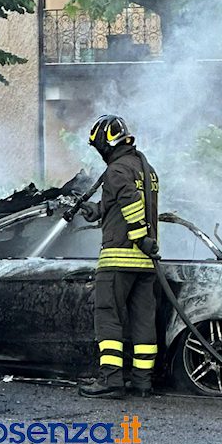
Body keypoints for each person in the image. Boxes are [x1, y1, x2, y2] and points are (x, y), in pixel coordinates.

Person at [76, 115, 160, 399]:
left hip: (118, 258)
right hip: (145, 265)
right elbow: (125, 201)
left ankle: (111, 379)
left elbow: (131, 203)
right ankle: (142, 382)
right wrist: (97, 210)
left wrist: (138, 237)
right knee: (143, 322)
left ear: (106, 144)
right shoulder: (145, 170)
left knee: (108, 317)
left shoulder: (116, 170)